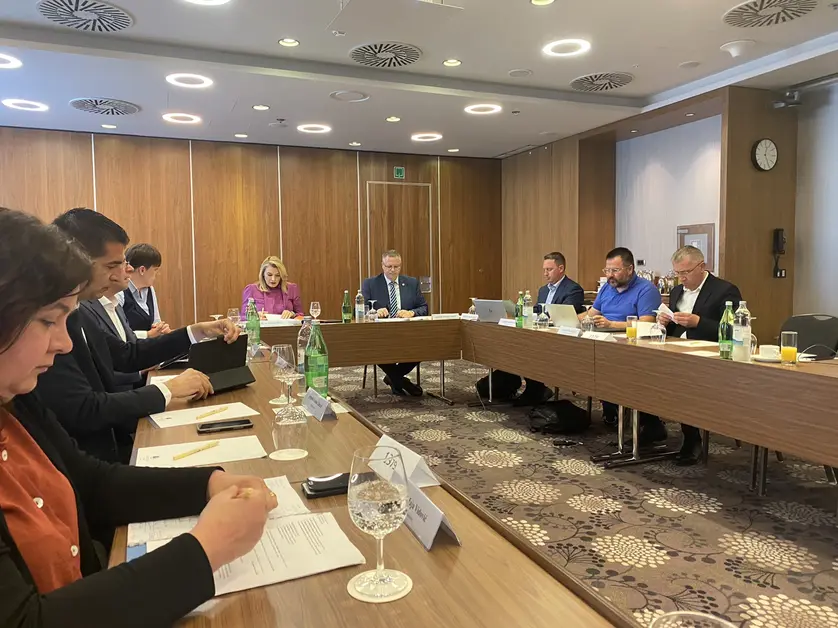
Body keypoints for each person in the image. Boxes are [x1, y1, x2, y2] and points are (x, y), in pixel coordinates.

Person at [0, 207, 277, 628]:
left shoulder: (16, 403)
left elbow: (90, 482)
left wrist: (208, 483)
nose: (63, 343)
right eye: (48, 321)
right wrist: (206, 550)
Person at [36, 208, 239, 463]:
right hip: (91, 460)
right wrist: (167, 390)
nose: (120, 273)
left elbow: (126, 355)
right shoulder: (53, 323)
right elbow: (84, 409)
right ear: (75, 261)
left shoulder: (79, 312)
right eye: (111, 265)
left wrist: (195, 331)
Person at [658, 245, 742, 465]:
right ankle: (649, 426)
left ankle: (692, 438)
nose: (682, 278)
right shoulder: (677, 291)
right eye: (677, 273)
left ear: (702, 266)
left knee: (685, 381)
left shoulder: (725, 290)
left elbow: (734, 329)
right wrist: (664, 321)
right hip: (676, 351)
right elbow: (675, 326)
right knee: (645, 370)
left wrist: (699, 322)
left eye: (686, 272)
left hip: (710, 356)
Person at [582, 247, 666, 443]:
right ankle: (611, 410)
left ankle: (647, 421)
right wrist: (565, 319)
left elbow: (647, 323)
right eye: (607, 270)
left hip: (633, 346)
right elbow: (590, 314)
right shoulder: (607, 288)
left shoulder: (646, 289)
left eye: (615, 270)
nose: (610, 275)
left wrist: (612, 325)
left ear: (629, 269)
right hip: (603, 342)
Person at [508, 252, 585, 406]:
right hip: (541, 333)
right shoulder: (543, 290)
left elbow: (563, 315)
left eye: (549, 269)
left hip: (561, 337)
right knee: (518, 344)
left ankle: (536, 390)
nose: (545, 273)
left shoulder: (573, 289)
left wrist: (542, 317)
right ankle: (531, 388)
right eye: (544, 270)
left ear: (561, 268)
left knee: (530, 348)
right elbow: (537, 310)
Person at [361, 250, 428, 396]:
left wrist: (411, 312)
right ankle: (400, 380)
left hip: (407, 332)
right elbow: (359, 310)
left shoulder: (411, 283)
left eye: (396, 267)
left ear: (400, 266)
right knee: (376, 349)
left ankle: (393, 377)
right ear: (382, 265)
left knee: (423, 346)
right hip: (380, 335)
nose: (392, 270)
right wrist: (374, 312)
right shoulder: (370, 284)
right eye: (389, 266)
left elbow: (424, 307)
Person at [121, 243, 168, 336]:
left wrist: (161, 329)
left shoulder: (150, 289)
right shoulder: (120, 291)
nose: (157, 274)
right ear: (142, 270)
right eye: (155, 270)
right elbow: (119, 333)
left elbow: (156, 322)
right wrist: (148, 334)